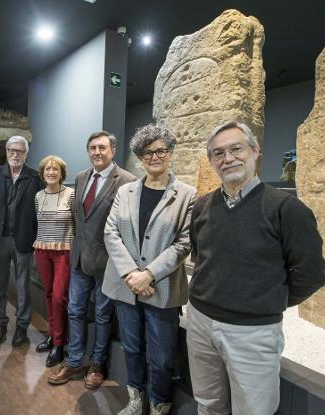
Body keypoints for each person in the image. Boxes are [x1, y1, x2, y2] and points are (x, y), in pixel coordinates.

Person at [187, 121, 325, 415]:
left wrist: (265, 301)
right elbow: (200, 257)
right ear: (211, 161)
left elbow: (310, 274)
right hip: (200, 323)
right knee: (208, 403)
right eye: (218, 153)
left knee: (253, 411)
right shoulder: (201, 207)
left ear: (254, 151)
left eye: (236, 149)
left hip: (253, 331)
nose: (228, 159)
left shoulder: (287, 209)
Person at [102, 124, 197, 415]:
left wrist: (149, 274)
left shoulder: (187, 195)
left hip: (162, 288)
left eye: (160, 151)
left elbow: (184, 243)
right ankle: (136, 398)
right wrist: (132, 274)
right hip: (125, 285)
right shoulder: (126, 191)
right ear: (140, 158)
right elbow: (110, 232)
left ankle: (159, 403)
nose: (154, 157)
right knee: (132, 346)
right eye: (147, 153)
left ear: (170, 153)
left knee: (162, 355)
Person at [48, 131, 135, 389]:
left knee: (102, 315)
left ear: (113, 151)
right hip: (79, 261)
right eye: (93, 148)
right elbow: (79, 220)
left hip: (108, 263)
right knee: (75, 310)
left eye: (102, 147)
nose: (97, 152)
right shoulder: (81, 177)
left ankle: (97, 364)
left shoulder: (127, 182)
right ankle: (74, 362)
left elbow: (127, 227)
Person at [0, 136, 44, 346]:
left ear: (26, 154)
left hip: (23, 240)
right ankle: (0, 324)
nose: (15, 154)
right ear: (6, 151)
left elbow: (38, 212)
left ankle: (22, 327)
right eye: (11, 150)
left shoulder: (36, 178)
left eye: (20, 151)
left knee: (22, 287)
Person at [33, 155, 76, 367]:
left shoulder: (70, 194)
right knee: (49, 295)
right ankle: (53, 335)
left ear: (61, 173)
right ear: (42, 174)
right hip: (42, 250)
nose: (51, 172)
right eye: (47, 169)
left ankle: (60, 344)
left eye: (55, 169)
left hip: (63, 252)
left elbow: (77, 225)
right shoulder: (38, 196)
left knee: (60, 297)